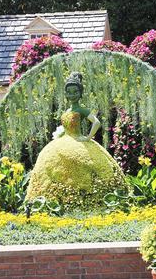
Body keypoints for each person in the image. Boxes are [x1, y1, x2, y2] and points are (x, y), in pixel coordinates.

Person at [25, 72, 128, 209]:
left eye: (75, 92)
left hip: (78, 141)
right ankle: (52, 199)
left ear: (80, 94)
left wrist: (87, 138)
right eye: (69, 92)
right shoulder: (67, 110)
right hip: (63, 141)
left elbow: (96, 122)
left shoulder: (81, 109)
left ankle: (87, 200)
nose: (71, 95)